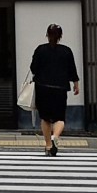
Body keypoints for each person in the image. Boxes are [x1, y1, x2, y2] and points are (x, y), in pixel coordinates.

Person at [29, 23, 80, 155]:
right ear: (60, 36)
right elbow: (72, 70)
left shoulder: (40, 50)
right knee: (60, 118)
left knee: (45, 118)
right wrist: (76, 84)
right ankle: (55, 137)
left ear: (47, 35)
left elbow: (33, 68)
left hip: (43, 88)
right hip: (60, 88)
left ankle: (48, 145)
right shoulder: (66, 51)